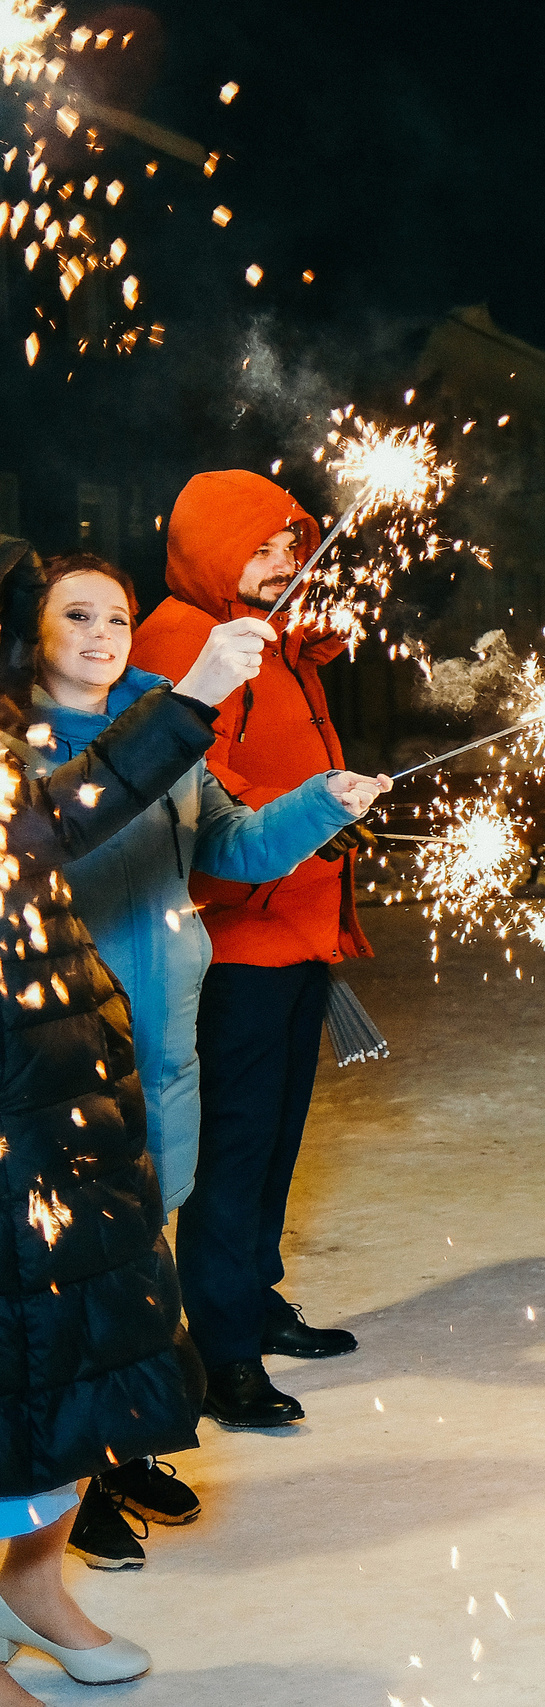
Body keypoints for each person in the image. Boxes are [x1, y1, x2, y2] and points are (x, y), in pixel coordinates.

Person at [0, 552, 388, 1565]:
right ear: (31, 632)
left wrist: (323, 803)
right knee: (64, 1273)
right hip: (65, 1058)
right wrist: (190, 702)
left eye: (116, 616)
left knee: (138, 1256)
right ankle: (56, 1485)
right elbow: (69, 838)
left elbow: (237, 847)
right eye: (74, 615)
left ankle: (117, 1446)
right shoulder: (26, 755)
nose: (100, 635)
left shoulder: (163, 725)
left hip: (168, 1037)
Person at [0, 546, 270, 1696]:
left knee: (60, 1372)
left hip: (52, 1089)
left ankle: (30, 1584)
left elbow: (59, 820)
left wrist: (194, 696)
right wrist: (194, 695)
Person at [128, 472, 376, 1434]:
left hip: (298, 929)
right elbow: (200, 800)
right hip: (231, 943)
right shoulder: (185, 643)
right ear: (208, 548)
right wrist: (298, 831)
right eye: (262, 544)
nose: (284, 561)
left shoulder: (273, 639)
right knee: (231, 1148)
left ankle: (252, 1295)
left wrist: (327, 818)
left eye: (293, 541)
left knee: (273, 1139)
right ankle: (222, 1346)